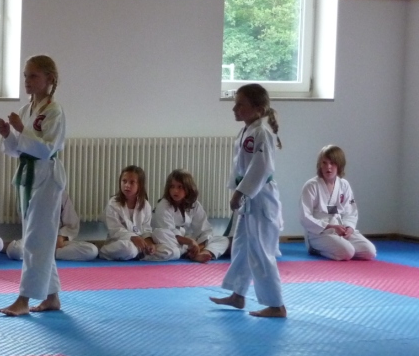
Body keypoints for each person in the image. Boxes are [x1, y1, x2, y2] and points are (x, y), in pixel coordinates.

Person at [0, 55, 67, 316]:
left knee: (36, 239)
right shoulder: (27, 109)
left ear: (50, 79)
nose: (27, 80)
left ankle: (23, 300)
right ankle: (52, 297)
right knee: (37, 237)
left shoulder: (55, 111)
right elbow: (19, 150)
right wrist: (8, 135)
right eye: (25, 75)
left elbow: (47, 149)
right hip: (28, 175)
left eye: (33, 76)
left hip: (47, 177)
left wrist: (21, 129)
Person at [210, 83, 287, 318]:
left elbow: (261, 167)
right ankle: (238, 294)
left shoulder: (262, 132)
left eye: (240, 104)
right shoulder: (247, 131)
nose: (235, 109)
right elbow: (241, 167)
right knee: (241, 247)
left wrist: (240, 192)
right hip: (249, 199)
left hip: (261, 199)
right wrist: (237, 190)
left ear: (258, 109)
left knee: (261, 251)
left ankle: (276, 305)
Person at [299, 145, 376, 261]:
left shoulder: (344, 185)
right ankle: (316, 248)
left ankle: (340, 246)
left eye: (332, 163)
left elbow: (350, 211)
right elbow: (304, 216)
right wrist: (329, 226)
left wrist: (349, 227)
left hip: (340, 229)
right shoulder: (311, 186)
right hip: (319, 233)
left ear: (340, 165)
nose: (328, 167)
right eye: (324, 163)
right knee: (347, 252)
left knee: (369, 251)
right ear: (320, 164)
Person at [151, 169, 229, 262]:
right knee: (162, 234)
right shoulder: (163, 205)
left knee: (223, 240)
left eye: (180, 187)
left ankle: (203, 253)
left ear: (188, 188)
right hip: (171, 241)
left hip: (187, 244)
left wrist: (198, 246)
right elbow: (168, 233)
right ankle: (189, 254)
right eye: (172, 187)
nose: (175, 191)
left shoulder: (194, 204)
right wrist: (190, 242)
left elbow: (205, 230)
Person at [5, 192, 98, 261]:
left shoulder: (62, 194)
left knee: (91, 251)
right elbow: (26, 222)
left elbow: (72, 224)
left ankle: (44, 255)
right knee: (14, 250)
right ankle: (46, 254)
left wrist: (61, 236)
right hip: (35, 241)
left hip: (57, 243)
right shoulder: (27, 192)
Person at [99, 166, 156, 261]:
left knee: (164, 251)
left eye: (132, 182)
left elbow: (146, 229)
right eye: (124, 181)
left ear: (140, 185)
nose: (127, 185)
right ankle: (104, 252)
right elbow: (115, 230)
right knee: (129, 249)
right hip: (118, 243)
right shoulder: (113, 203)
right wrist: (132, 237)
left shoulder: (145, 205)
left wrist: (149, 244)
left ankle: (137, 254)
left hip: (138, 244)